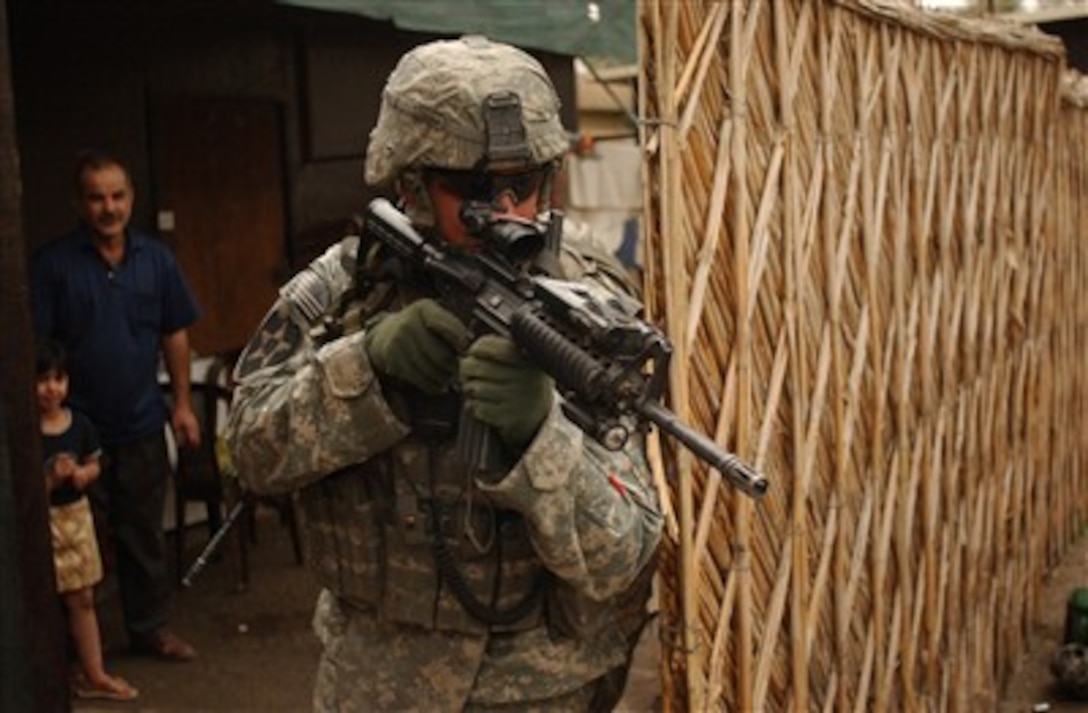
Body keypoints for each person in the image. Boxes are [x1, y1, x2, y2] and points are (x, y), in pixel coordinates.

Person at [225, 35, 664, 711]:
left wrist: (540, 435)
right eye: (478, 191)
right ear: (410, 184)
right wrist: (366, 368)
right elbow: (248, 453)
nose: (510, 212)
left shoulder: (587, 304)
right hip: (378, 682)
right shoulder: (346, 288)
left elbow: (623, 555)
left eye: (528, 185)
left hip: (542, 686)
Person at [31, 149, 201, 662]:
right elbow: (39, 353)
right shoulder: (54, 266)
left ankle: (149, 631)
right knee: (74, 543)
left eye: (117, 195)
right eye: (97, 197)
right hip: (76, 433)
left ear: (131, 198)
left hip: (143, 422)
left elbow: (175, 333)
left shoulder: (157, 259)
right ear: (80, 204)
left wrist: (183, 405)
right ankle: (79, 650)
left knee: (143, 536)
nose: (109, 207)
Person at [36, 339, 139, 701]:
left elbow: (95, 463)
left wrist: (82, 474)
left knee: (83, 598)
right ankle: (57, 675)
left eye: (58, 378)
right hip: (43, 523)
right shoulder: (26, 431)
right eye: (43, 379)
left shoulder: (79, 424)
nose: (51, 388)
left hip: (76, 519)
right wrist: (49, 480)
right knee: (45, 604)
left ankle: (94, 673)